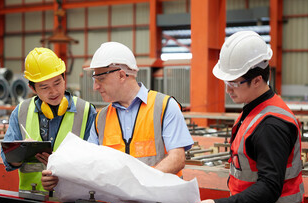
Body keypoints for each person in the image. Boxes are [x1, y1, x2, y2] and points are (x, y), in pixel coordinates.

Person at [188, 31, 307, 203]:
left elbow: (270, 187)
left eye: (234, 83)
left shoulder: (271, 125)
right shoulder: (254, 108)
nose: (228, 90)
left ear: (257, 80)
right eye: (227, 83)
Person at [41, 41, 194, 191]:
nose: (95, 87)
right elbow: (88, 165)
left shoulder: (164, 106)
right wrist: (60, 176)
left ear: (121, 75)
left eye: (100, 79)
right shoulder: (100, 119)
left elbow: (177, 159)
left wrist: (139, 186)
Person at [1, 47, 97, 192]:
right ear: (33, 88)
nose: (53, 92)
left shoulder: (86, 111)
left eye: (57, 83)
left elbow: (95, 162)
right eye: (44, 87)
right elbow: (7, 160)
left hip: (73, 202)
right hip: (32, 201)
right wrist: (20, 151)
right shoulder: (21, 112)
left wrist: (62, 171)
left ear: (64, 78)